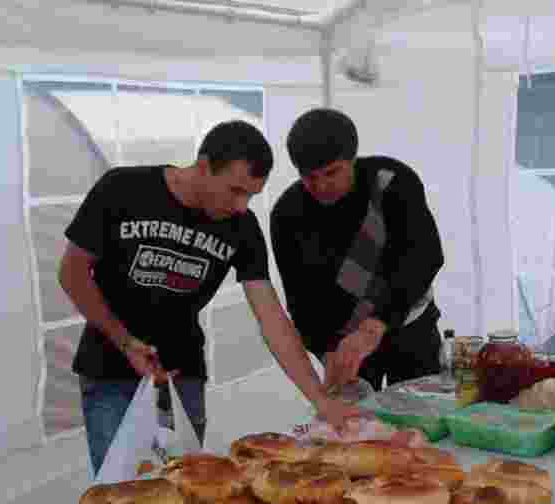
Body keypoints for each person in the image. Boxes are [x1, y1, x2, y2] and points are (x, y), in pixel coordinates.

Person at [58, 120, 361, 476]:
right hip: (110, 369)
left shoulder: (242, 226)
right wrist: (124, 341)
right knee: (119, 495)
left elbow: (271, 316)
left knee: (186, 489)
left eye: (250, 195)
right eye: (234, 190)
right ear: (203, 166)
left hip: (182, 373)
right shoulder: (123, 188)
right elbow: (72, 272)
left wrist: (319, 399)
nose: (240, 205)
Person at [270, 108, 445, 393]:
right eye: (309, 177)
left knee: (425, 420)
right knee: (356, 430)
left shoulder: (391, 181)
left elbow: (424, 258)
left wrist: (374, 327)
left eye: (331, 173)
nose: (321, 185)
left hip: (410, 326)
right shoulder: (287, 214)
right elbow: (301, 300)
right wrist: (326, 353)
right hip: (345, 344)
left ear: (352, 159)